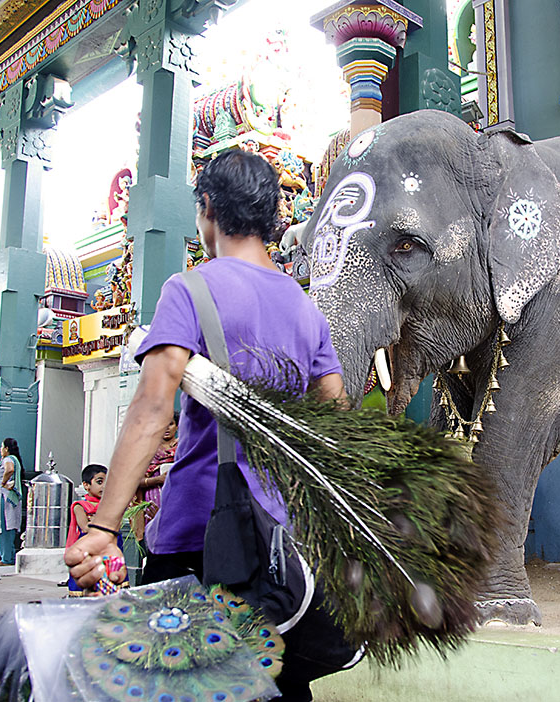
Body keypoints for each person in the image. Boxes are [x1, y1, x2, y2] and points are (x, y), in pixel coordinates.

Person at [67, 150, 347, 701]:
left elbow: (152, 410)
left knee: (177, 683)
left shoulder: (189, 289)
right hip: (279, 543)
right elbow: (333, 415)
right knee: (272, 684)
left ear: (208, 209)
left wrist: (102, 528)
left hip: (199, 530)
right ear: (271, 218)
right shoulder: (304, 306)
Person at [65, 465, 124, 595]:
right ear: (86, 485)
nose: (104, 487)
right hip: (91, 548)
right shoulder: (80, 506)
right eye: (99, 482)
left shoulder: (109, 505)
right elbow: (85, 527)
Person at [132, 412, 178, 541]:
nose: (166, 428)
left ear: (177, 426)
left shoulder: (183, 448)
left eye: (170, 424)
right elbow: (133, 481)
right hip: (151, 505)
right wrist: (157, 480)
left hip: (177, 502)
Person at [0, 438, 22, 566]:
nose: (0, 450)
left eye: (2, 447)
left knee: (3, 526)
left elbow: (9, 470)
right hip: (5, 497)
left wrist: (2, 483)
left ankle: (6, 558)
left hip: (3, 498)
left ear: (6, 449)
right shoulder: (13, 459)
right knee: (7, 527)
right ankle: (8, 556)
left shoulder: (8, 459)